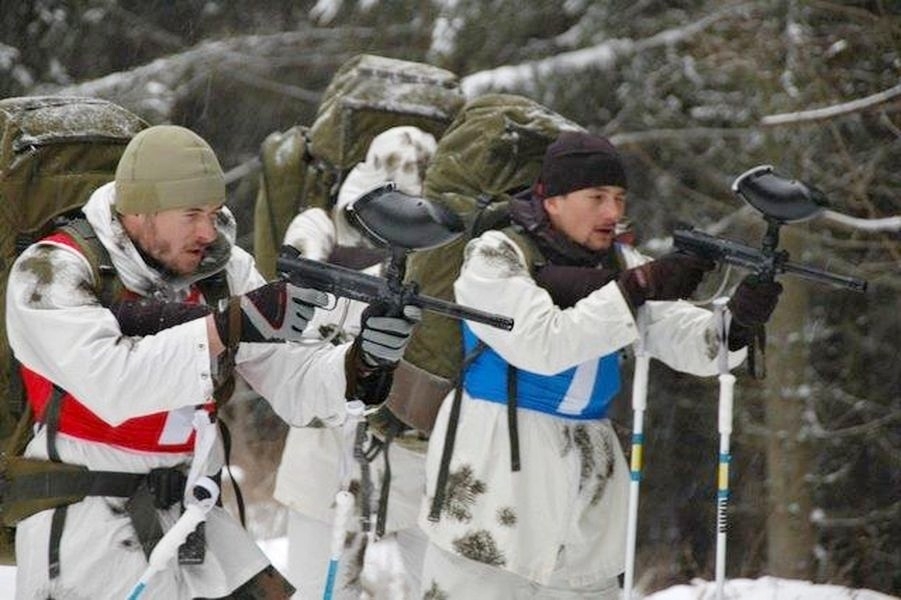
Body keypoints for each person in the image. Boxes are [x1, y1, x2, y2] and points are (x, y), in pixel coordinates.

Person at [5, 125, 419, 599]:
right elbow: (113, 384)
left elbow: (293, 383)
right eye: (190, 215)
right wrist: (226, 327)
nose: (208, 230)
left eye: (212, 212)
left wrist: (362, 363)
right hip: (85, 527)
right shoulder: (52, 269)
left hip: (193, 518)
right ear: (139, 210)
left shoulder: (223, 270)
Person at [417, 131, 783, 599]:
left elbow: (688, 341)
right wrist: (635, 288)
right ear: (552, 200)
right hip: (495, 474)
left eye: (619, 198)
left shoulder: (620, 260)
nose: (612, 213)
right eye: (597, 197)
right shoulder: (496, 254)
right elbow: (541, 344)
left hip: (587, 478)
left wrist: (739, 322)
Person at [272, 126, 437, 599]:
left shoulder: (437, 246)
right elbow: (302, 311)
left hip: (408, 442)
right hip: (326, 440)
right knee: (313, 590)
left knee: (440, 587)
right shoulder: (318, 227)